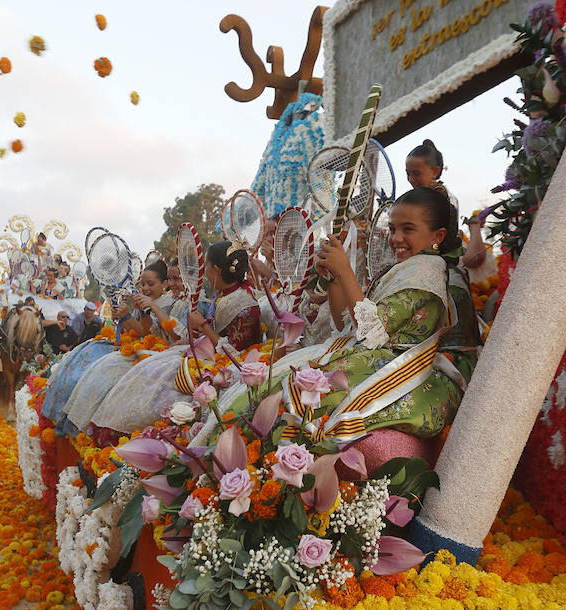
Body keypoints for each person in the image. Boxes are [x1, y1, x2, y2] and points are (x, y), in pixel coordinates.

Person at [200, 188, 471, 448]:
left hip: (393, 366)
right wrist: (333, 278)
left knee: (293, 396)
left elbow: (371, 331)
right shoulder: (408, 268)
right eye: (392, 229)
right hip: (365, 354)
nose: (396, 238)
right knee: (276, 383)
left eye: (407, 229)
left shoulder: (426, 272)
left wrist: (346, 271)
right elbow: (347, 323)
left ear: (438, 235)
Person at [89, 241, 261, 437]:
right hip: (202, 354)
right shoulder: (222, 297)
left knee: (160, 376)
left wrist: (202, 326)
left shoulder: (245, 304)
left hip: (232, 369)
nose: (204, 274)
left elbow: (235, 353)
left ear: (215, 270)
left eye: (206, 267)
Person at [61, 260, 177, 436]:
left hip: (156, 355)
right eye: (143, 284)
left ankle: (92, 427)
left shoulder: (169, 303)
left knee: (106, 370)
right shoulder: (149, 302)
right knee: (89, 351)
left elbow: (146, 333)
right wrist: (124, 317)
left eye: (150, 284)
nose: (145, 288)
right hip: (142, 349)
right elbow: (138, 330)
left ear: (165, 284)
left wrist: (128, 315)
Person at [405, 139, 486, 271]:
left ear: (435, 171)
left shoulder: (443, 202)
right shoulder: (415, 201)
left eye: (416, 173)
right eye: (408, 173)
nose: (410, 179)